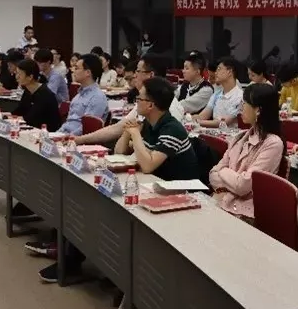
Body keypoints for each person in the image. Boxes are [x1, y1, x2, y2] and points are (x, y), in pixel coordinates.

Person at [39, 77, 196, 283]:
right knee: (90, 202)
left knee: (105, 209)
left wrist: (135, 135)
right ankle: (74, 259)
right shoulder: (148, 124)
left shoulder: (172, 129)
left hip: (175, 194)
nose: (135, 103)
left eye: (139, 99)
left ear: (150, 105)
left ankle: (88, 264)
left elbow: (148, 165)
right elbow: (120, 152)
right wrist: (128, 134)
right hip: (150, 184)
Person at [210, 83, 285, 220]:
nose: (240, 109)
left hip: (246, 213)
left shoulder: (273, 144)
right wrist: (232, 182)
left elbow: (243, 185)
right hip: (223, 201)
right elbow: (213, 174)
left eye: (244, 104)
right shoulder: (239, 137)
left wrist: (223, 171)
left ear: (258, 110)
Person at [74, 55, 183, 144]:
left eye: (138, 71)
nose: (135, 75)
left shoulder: (170, 108)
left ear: (151, 75)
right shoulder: (144, 100)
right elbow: (117, 128)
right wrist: (79, 139)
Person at [0, 59, 61, 131]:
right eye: (16, 73)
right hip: (31, 128)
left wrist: (0, 117)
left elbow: (29, 119)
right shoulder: (28, 91)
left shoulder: (44, 94)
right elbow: (18, 112)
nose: (16, 77)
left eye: (20, 74)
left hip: (46, 132)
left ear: (30, 77)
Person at [58, 54, 107, 136]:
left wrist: (66, 137)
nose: (73, 71)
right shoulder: (78, 96)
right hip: (65, 135)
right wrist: (56, 134)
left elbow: (87, 128)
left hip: (77, 140)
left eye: (77, 68)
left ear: (88, 73)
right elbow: (68, 123)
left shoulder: (97, 97)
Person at [194, 57, 243, 128]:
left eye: (219, 69)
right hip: (214, 132)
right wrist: (188, 118)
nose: (216, 73)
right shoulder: (216, 94)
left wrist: (197, 122)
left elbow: (224, 122)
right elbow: (202, 116)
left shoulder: (240, 97)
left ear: (229, 72)